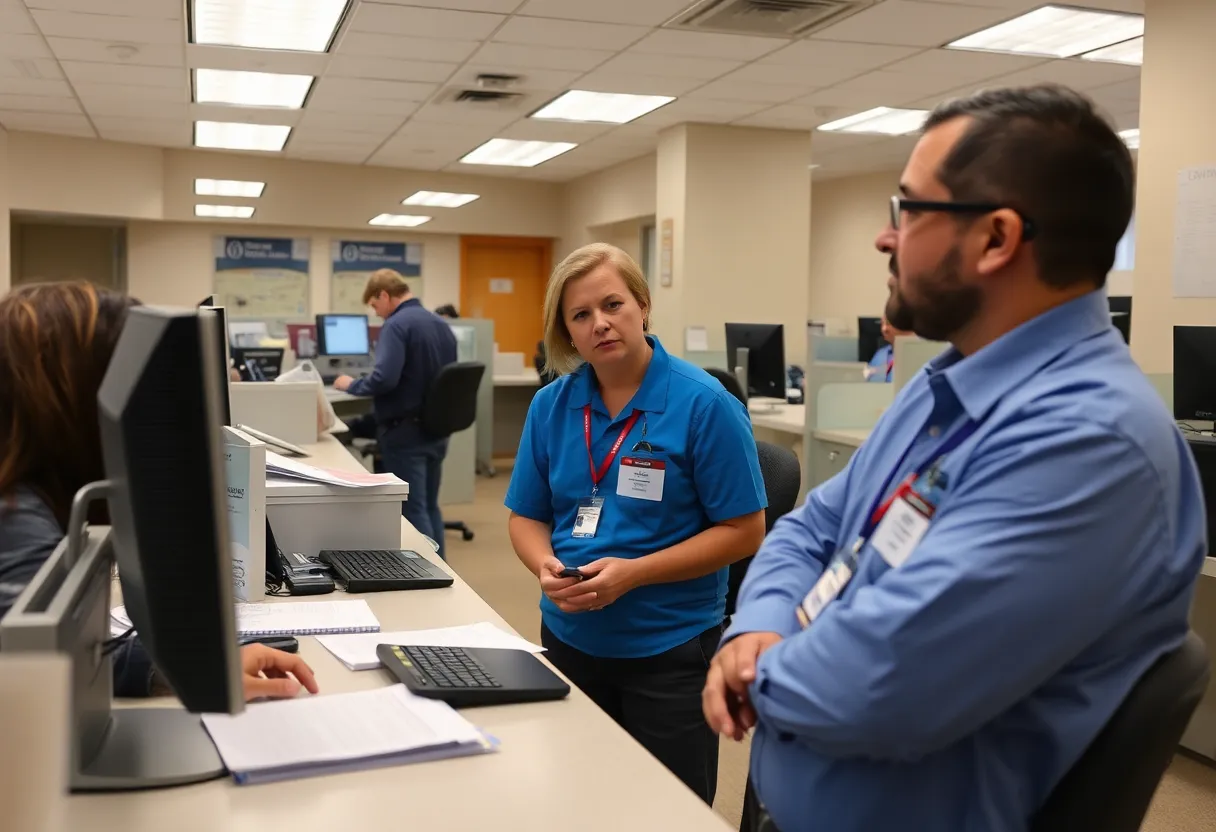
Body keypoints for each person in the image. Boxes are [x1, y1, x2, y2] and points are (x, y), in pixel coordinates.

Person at [705, 84, 1206, 832]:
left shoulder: (1088, 443)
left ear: (997, 239)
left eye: (907, 210)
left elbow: (877, 688)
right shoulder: (944, 383)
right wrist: (758, 626)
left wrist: (756, 671)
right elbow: (811, 527)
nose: (885, 238)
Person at [505, 243, 767, 804]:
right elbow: (526, 515)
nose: (599, 323)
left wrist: (634, 573)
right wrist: (544, 566)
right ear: (567, 333)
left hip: (667, 651)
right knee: (578, 801)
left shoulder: (705, 405)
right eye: (580, 315)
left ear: (642, 307)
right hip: (570, 637)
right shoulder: (551, 407)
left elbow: (745, 531)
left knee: (665, 810)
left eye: (612, 304)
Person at [0, 281, 319, 702]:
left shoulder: (29, 498)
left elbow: (65, 654)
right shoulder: (15, 516)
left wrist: (180, 668)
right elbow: (32, 672)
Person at [334, 269, 457, 557]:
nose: (378, 314)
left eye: (375, 306)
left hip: (405, 434)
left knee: (413, 510)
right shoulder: (440, 324)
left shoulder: (396, 325)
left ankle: (427, 574)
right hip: (436, 430)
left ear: (384, 295)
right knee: (429, 505)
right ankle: (441, 566)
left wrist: (351, 384)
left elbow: (385, 379)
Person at [862, 315, 912, 382]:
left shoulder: (914, 354)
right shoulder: (880, 354)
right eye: (882, 324)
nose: (884, 329)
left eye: (888, 324)